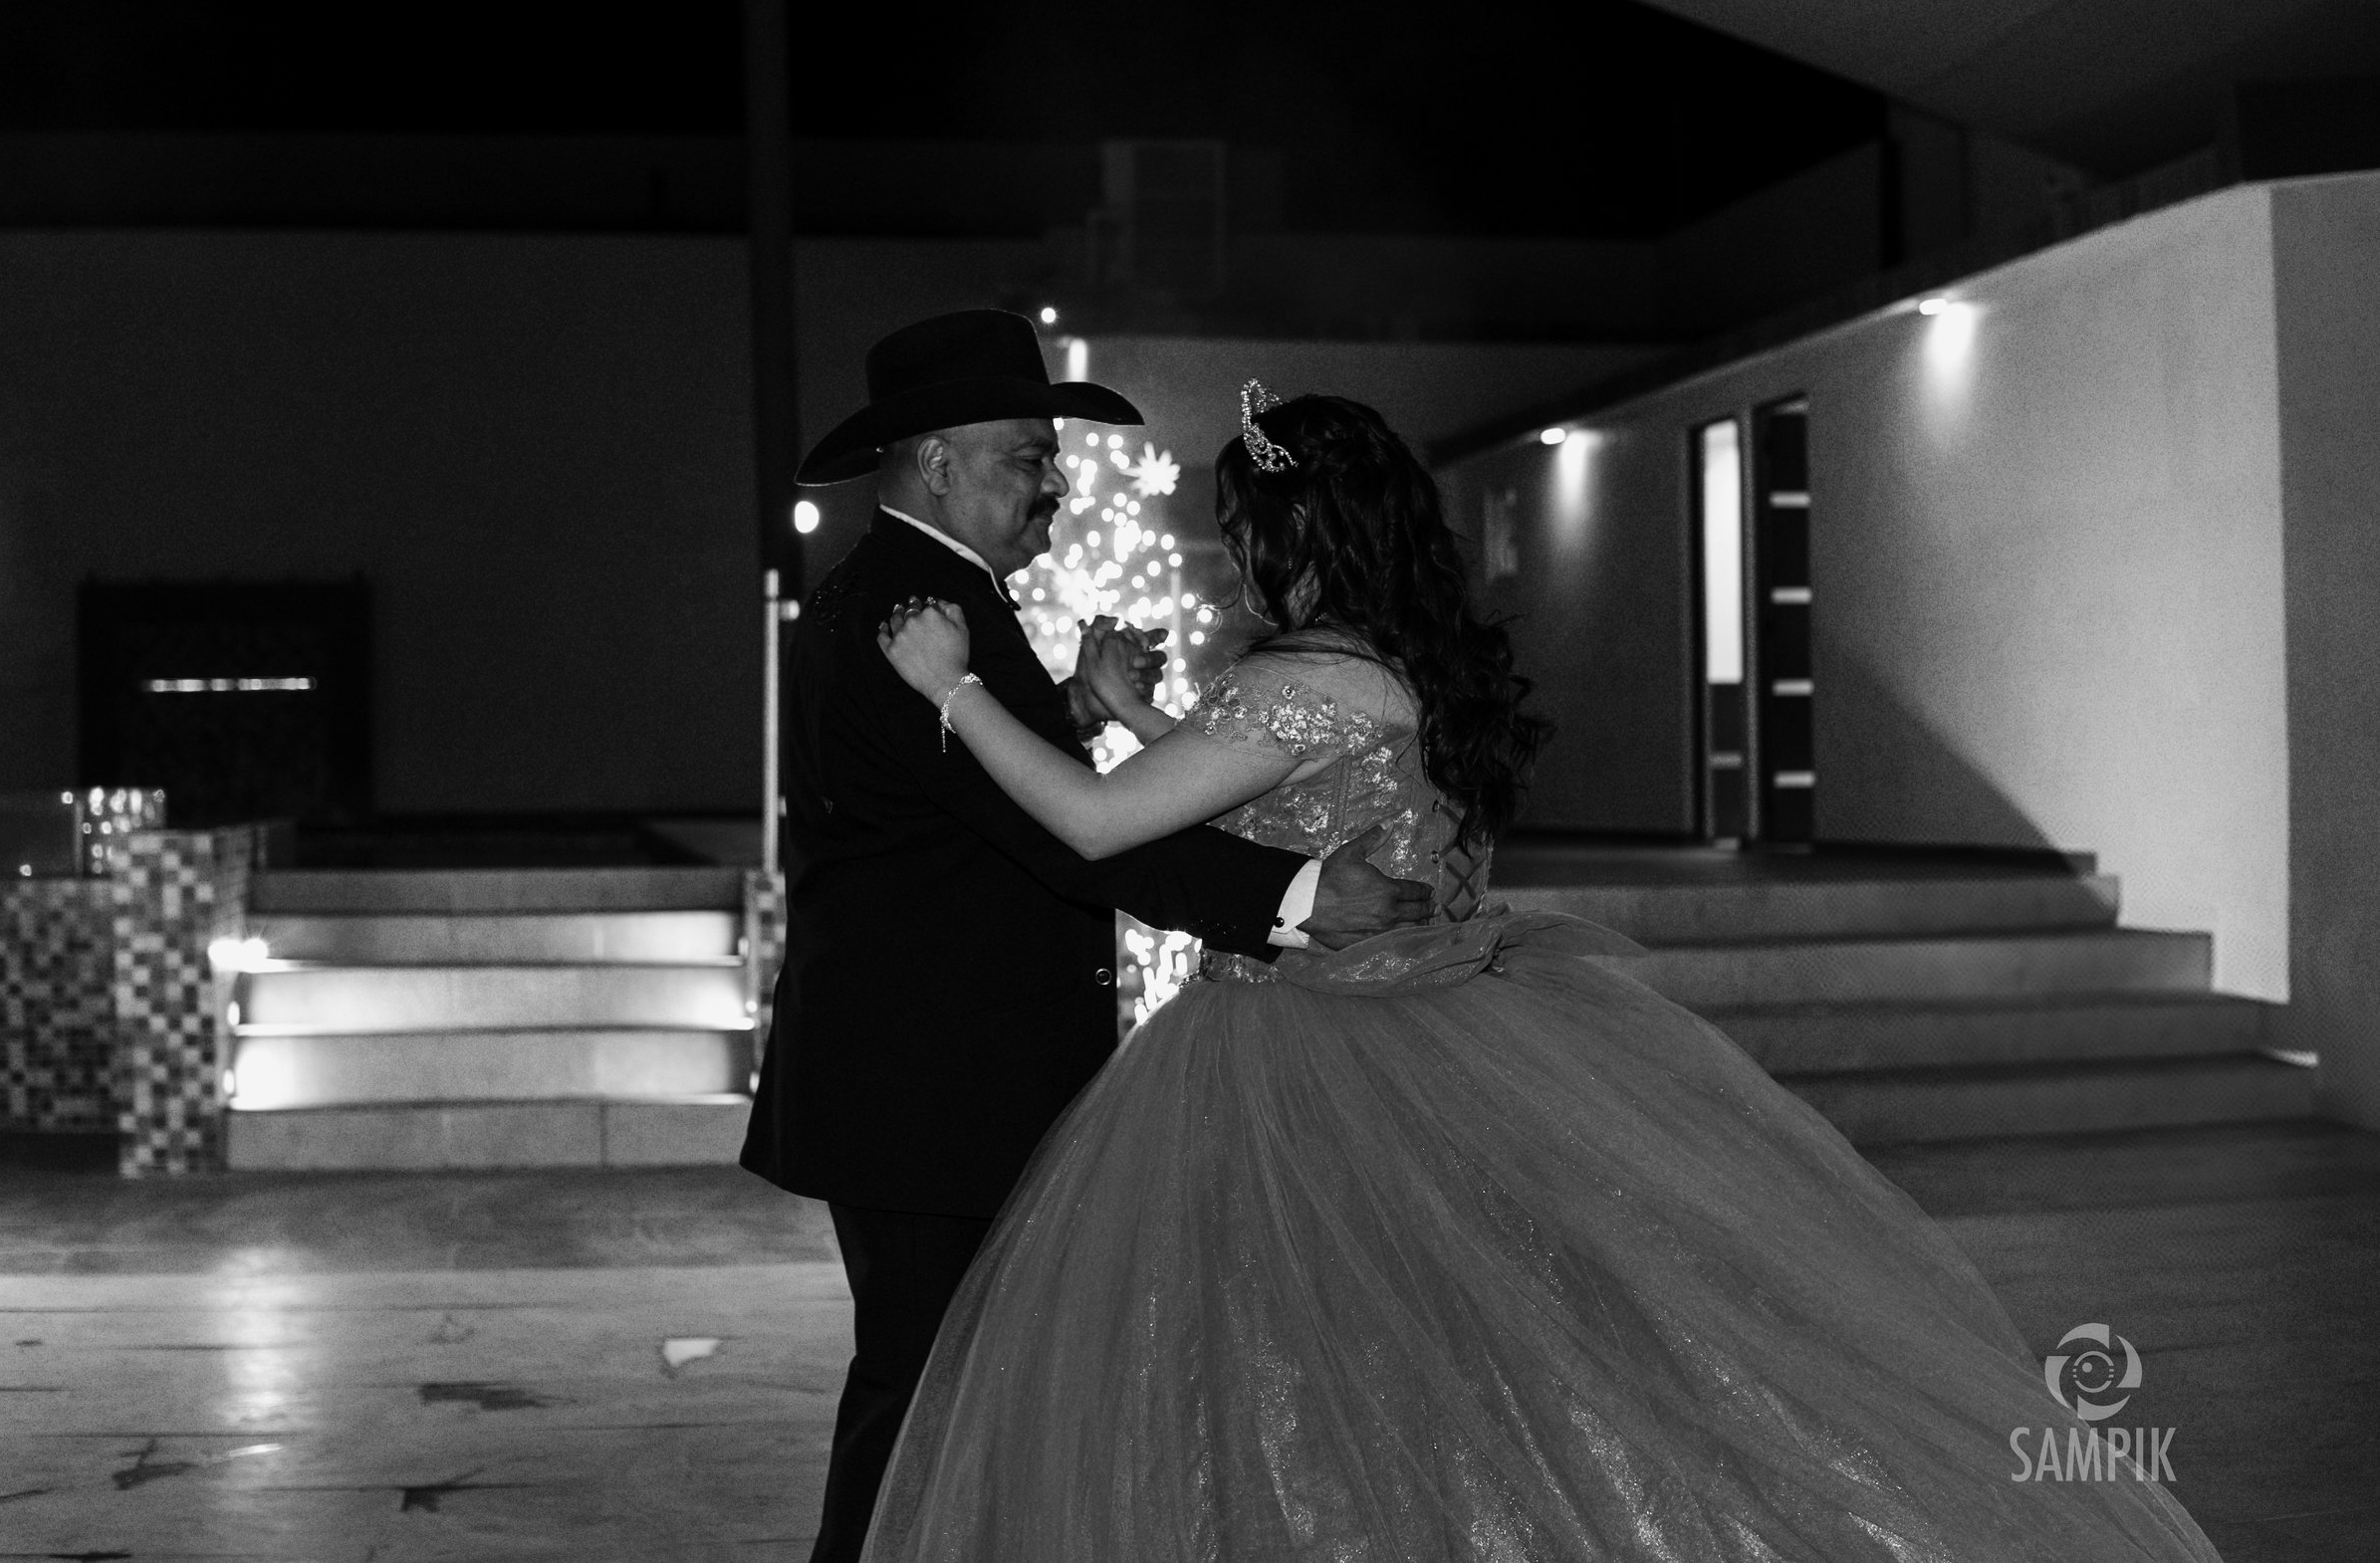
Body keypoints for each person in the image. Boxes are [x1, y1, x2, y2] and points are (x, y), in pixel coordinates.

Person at [859, 385, 2224, 1561]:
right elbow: (1280, 808)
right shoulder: (1397, 667)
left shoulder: (1291, 679)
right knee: (1458, 1364)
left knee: (1299, 1372)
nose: (1238, 554)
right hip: (1440, 1022)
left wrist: (950, 685)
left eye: (1243, 523)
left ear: (1291, 531)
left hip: (1305, 1056)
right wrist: (1129, 707)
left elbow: (1099, 826)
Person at [739, 315, 1436, 1563]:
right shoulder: (916, 609)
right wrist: (1292, 897)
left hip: (925, 1074)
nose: (1055, 483)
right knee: (923, 1392)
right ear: (937, 464)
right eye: (1027, 456)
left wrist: (1070, 707)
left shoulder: (918, 592)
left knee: (948, 1387)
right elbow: (1075, 837)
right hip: (926, 1088)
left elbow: (964, 796)